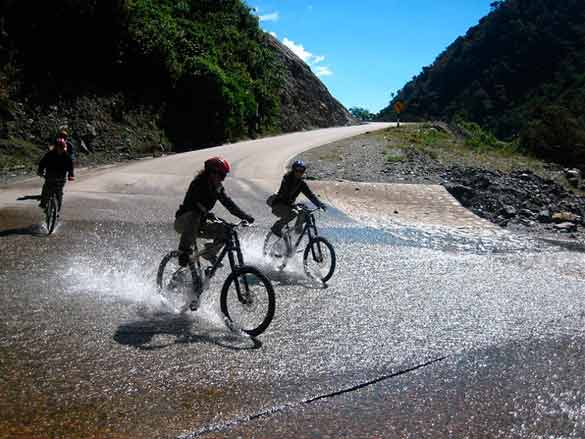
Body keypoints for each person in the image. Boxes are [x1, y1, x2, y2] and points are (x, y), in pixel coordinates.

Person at [175, 156, 255, 268]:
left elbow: (229, 204)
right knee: (195, 215)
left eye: (224, 176)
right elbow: (195, 204)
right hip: (184, 222)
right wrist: (207, 214)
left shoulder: (217, 187)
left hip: (200, 223)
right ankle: (184, 251)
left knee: (226, 231)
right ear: (212, 173)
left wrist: (245, 216)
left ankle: (209, 253)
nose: (223, 179)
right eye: (222, 175)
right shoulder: (197, 184)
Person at [269, 160, 326, 238]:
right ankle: (276, 228)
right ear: (293, 170)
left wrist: (320, 204)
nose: (299, 173)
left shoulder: (301, 183)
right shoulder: (287, 179)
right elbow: (285, 195)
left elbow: (310, 195)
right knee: (294, 213)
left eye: (301, 171)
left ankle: (298, 230)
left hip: (288, 205)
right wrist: (294, 206)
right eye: (297, 170)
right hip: (279, 205)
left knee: (304, 211)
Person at [38, 138, 75, 211]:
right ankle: (43, 203)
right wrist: (40, 171)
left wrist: (71, 175)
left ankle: (57, 210)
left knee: (59, 193)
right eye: (59, 148)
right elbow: (42, 163)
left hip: (61, 177)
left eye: (62, 148)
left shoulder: (67, 156)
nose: (61, 150)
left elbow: (70, 167)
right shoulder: (49, 154)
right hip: (50, 175)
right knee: (46, 189)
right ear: (56, 147)